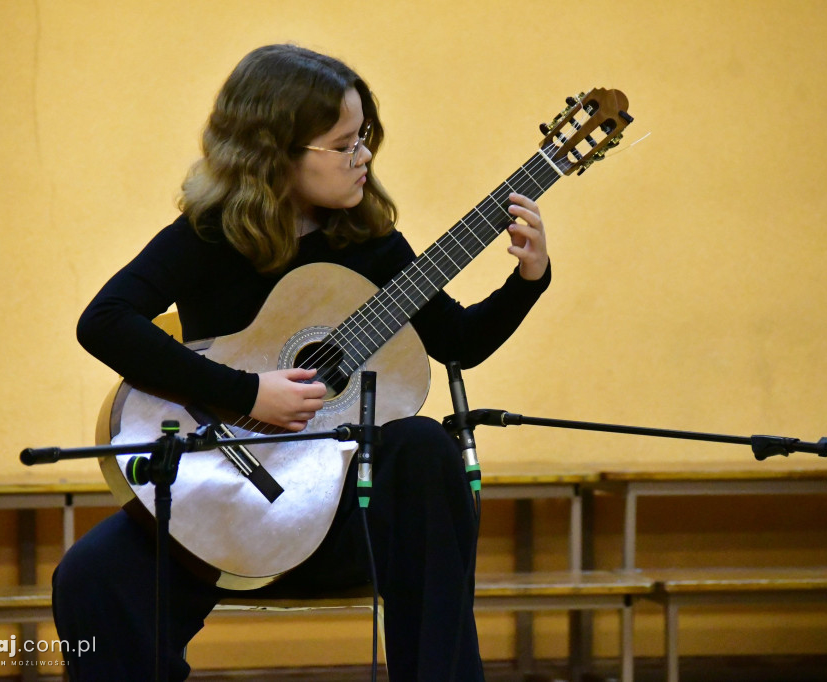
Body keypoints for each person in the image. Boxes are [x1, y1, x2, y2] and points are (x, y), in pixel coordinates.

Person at [53, 43, 551, 681]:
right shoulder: (208, 238)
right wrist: (245, 393)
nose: (364, 155)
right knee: (90, 578)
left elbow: (457, 341)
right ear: (274, 152)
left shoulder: (371, 243)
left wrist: (527, 279)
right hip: (226, 502)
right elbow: (105, 322)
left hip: (344, 512)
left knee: (423, 446)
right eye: (344, 144)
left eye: (365, 136)